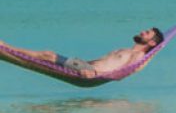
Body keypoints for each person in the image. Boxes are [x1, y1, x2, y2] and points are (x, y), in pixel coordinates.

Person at [0, 27, 164, 79]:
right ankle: (5, 49)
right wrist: (89, 64)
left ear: (152, 43)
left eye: (147, 33)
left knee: (48, 55)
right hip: (85, 65)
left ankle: (5, 47)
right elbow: (104, 61)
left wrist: (95, 74)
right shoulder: (125, 50)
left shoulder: (137, 56)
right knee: (47, 56)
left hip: (90, 74)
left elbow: (123, 72)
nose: (143, 32)